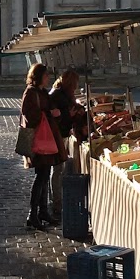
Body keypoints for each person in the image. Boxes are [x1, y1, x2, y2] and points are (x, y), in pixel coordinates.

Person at [19, 63, 67, 231]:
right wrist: (48, 113)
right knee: (40, 177)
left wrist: (54, 113)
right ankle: (32, 214)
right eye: (46, 75)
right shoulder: (31, 93)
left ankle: (42, 211)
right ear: (39, 76)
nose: (48, 78)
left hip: (47, 140)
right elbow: (29, 115)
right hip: (38, 141)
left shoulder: (42, 92)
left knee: (44, 176)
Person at [48, 69, 82, 219]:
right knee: (57, 169)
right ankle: (56, 202)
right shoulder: (58, 95)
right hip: (57, 135)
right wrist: (71, 115)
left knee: (57, 169)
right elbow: (56, 117)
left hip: (62, 134)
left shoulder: (61, 93)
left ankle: (56, 200)